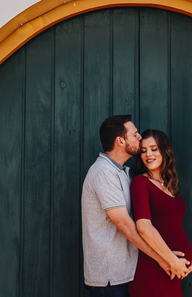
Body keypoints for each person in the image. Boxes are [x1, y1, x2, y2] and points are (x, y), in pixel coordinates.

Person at [82, 115, 176, 296]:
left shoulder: (124, 172)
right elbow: (125, 225)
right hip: (109, 279)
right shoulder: (104, 173)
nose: (140, 137)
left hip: (126, 274)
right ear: (120, 141)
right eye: (135, 135)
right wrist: (163, 259)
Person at [129, 129, 192, 297]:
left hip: (172, 272)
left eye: (154, 149)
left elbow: (171, 226)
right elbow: (143, 227)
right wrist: (173, 261)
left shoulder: (168, 185)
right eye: (143, 150)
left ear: (167, 151)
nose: (148, 154)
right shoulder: (140, 183)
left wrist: (186, 261)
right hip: (154, 271)